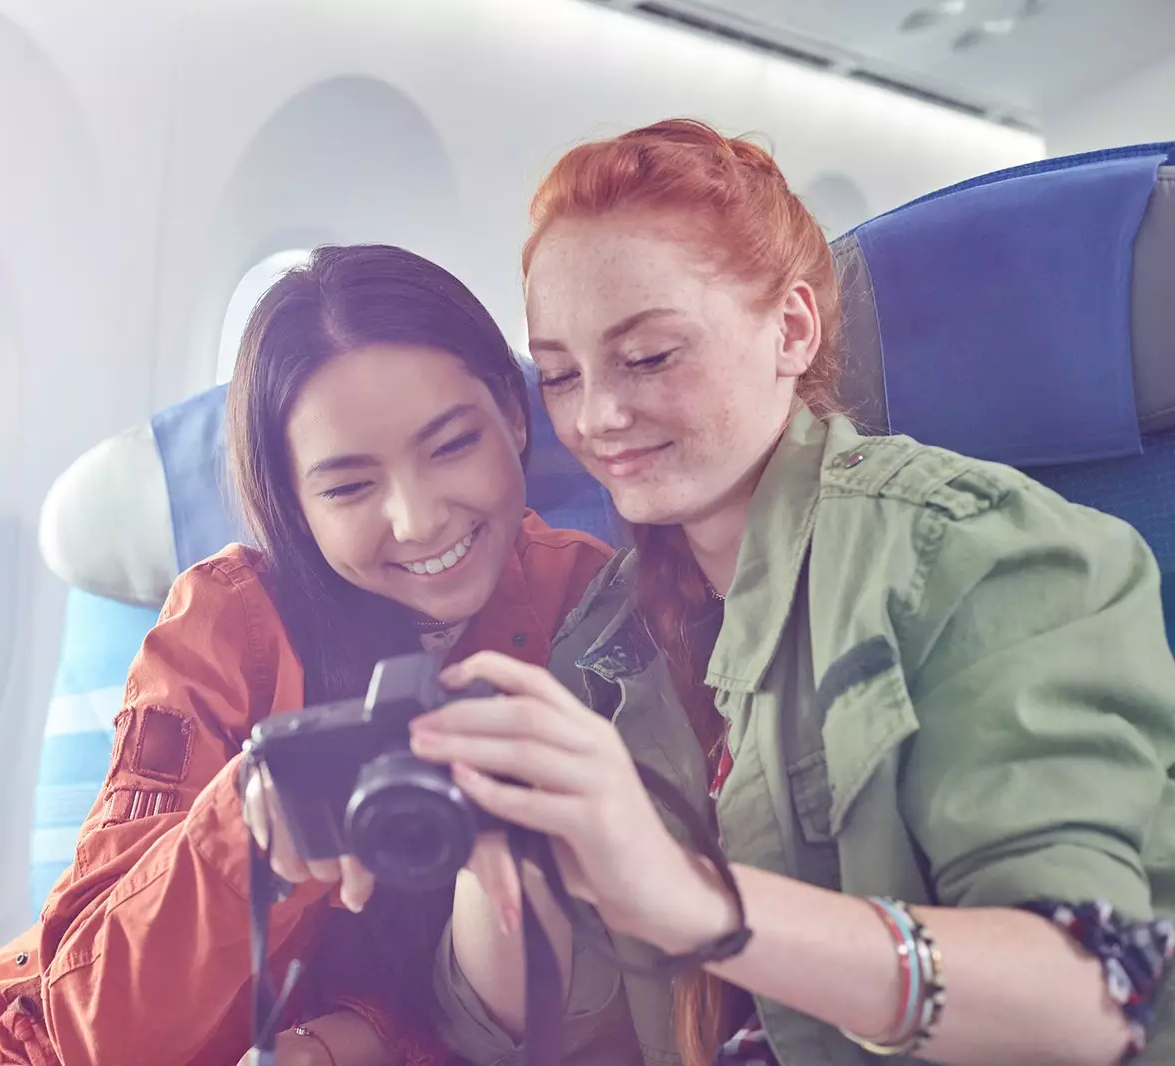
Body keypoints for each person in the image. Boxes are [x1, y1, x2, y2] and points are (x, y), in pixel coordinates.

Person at [403, 119, 1175, 1066]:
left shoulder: (968, 550)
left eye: (648, 357)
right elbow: (521, 1035)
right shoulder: (603, 641)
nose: (597, 417)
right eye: (559, 376)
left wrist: (704, 905)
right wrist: (498, 849)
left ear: (794, 330)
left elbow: (1092, 996)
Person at [0, 243, 613, 1066]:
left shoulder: (596, 607)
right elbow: (94, 1026)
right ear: (290, 502)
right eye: (350, 487)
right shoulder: (228, 625)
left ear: (512, 413)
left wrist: (352, 1038)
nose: (417, 519)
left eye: (452, 445)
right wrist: (249, 832)